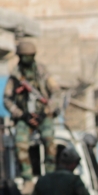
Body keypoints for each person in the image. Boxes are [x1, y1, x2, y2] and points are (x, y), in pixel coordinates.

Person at [3, 41, 59, 182]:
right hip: (24, 117)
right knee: (20, 143)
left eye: (29, 56)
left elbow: (57, 93)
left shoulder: (41, 71)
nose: (27, 59)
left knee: (49, 141)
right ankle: (27, 178)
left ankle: (50, 177)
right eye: (24, 56)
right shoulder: (15, 75)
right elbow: (7, 99)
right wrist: (21, 114)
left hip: (43, 115)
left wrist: (45, 112)